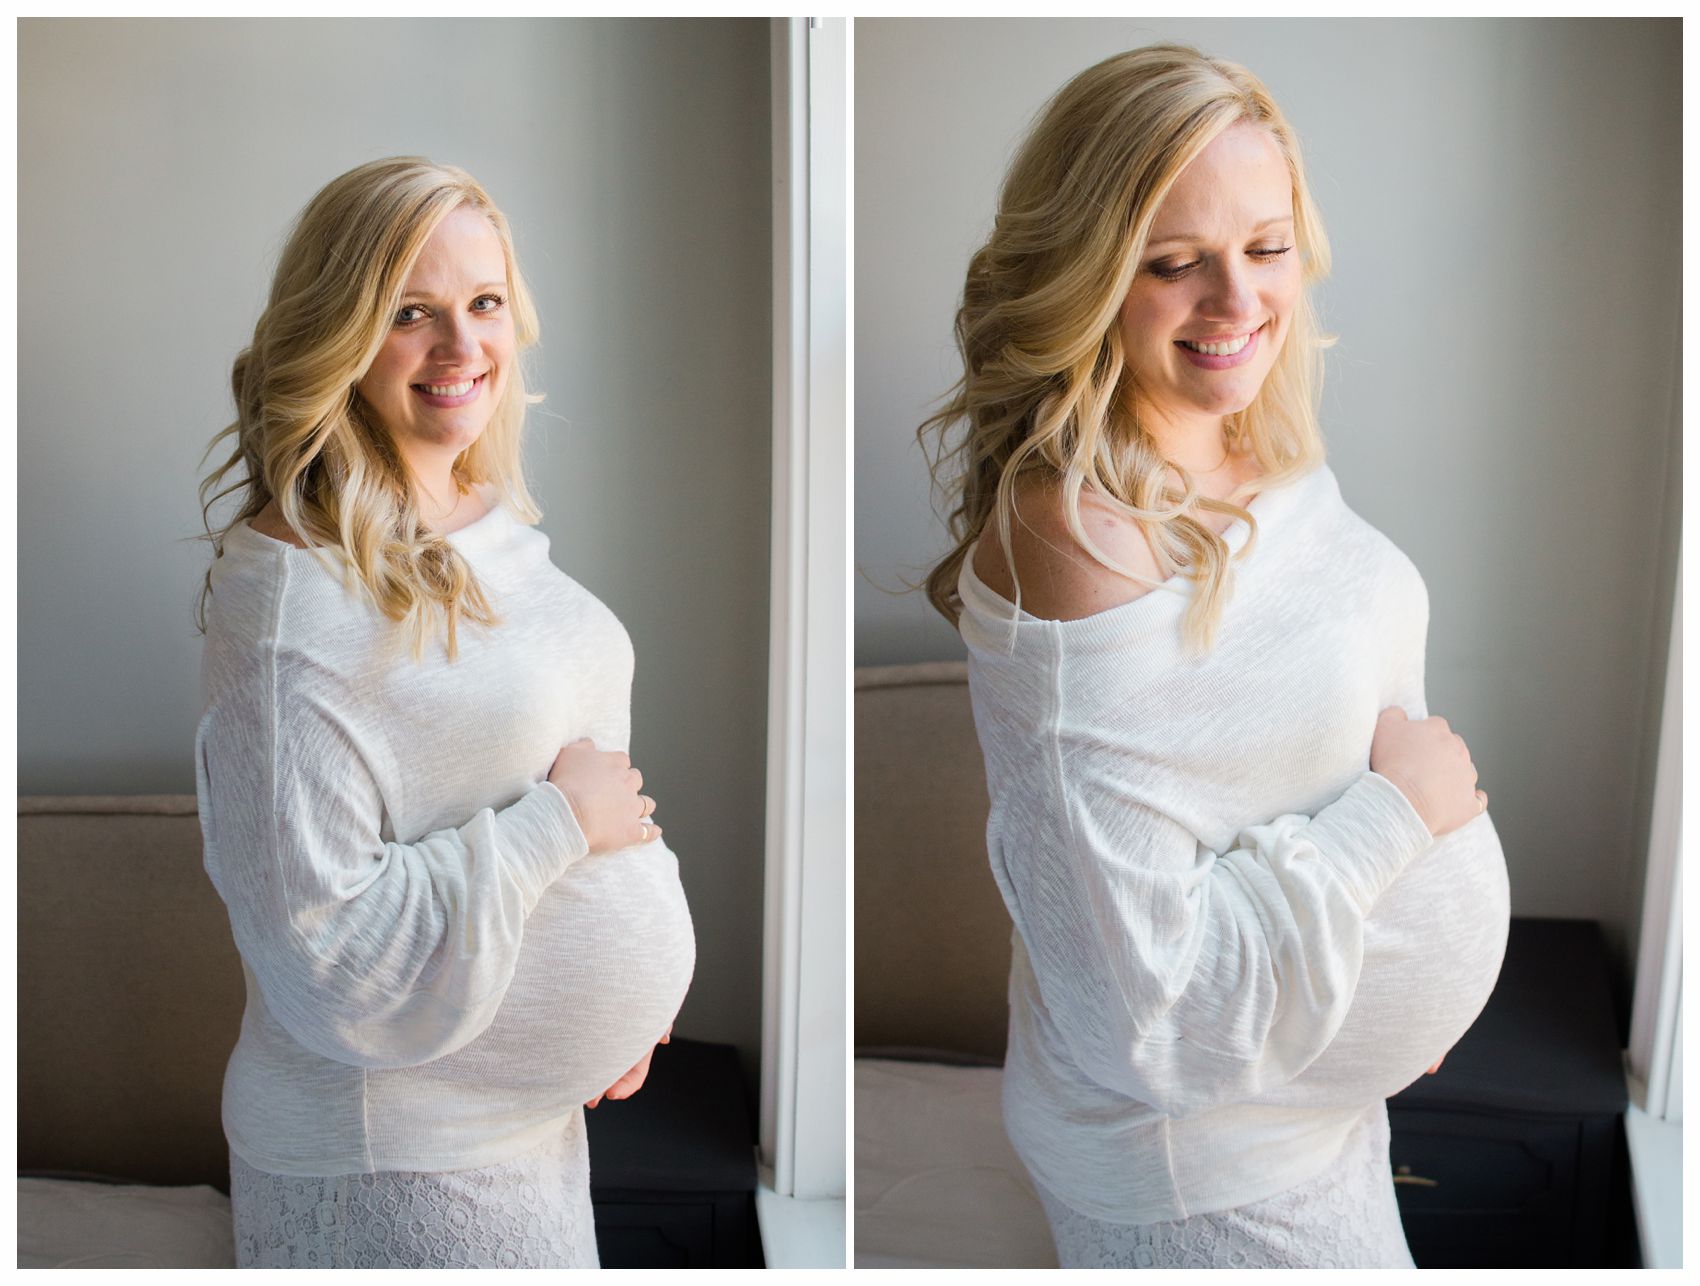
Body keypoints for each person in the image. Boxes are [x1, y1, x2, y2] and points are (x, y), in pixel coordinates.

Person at [919, 46, 1510, 1269]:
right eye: (1173, 262)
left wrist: (1387, 995)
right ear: (1085, 274)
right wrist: (1397, 822)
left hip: (1309, 1100)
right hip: (1199, 1173)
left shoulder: (1254, 439)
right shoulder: (1077, 535)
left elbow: (1278, 750)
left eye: (1266, 245)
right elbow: (1146, 1011)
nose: (1235, 301)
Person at [193, 157, 695, 1269]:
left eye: (483, 304)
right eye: (409, 313)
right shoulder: (290, 603)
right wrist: (560, 827)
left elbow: (535, 754)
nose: (462, 346)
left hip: (528, 1131)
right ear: (338, 333)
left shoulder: (481, 514)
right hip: (390, 1166)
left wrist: (629, 1003)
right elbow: (324, 951)